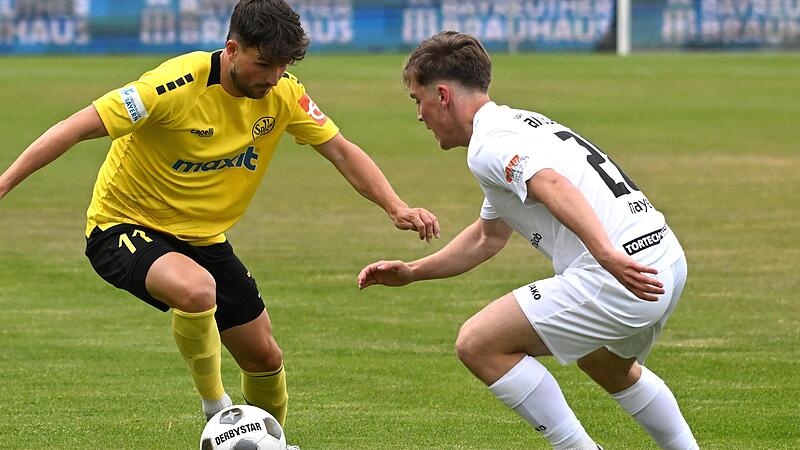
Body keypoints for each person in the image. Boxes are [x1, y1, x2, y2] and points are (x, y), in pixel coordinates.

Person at [0, 0, 439, 443]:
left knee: (265, 357)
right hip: (123, 226)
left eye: (281, 67)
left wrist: (395, 206)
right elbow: (73, 128)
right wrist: (3, 184)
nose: (271, 78)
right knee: (196, 289)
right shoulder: (171, 86)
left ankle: (274, 442)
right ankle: (217, 410)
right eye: (263, 64)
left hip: (205, 237)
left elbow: (341, 149)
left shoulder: (284, 92)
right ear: (232, 49)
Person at [357, 31, 698, 450]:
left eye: (417, 100)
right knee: (607, 365)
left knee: (478, 344)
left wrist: (607, 256)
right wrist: (412, 272)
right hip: (665, 259)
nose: (419, 115)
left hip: (619, 274)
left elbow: (551, 184)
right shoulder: (518, 123)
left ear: (442, 95)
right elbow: (488, 236)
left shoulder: (489, 146)